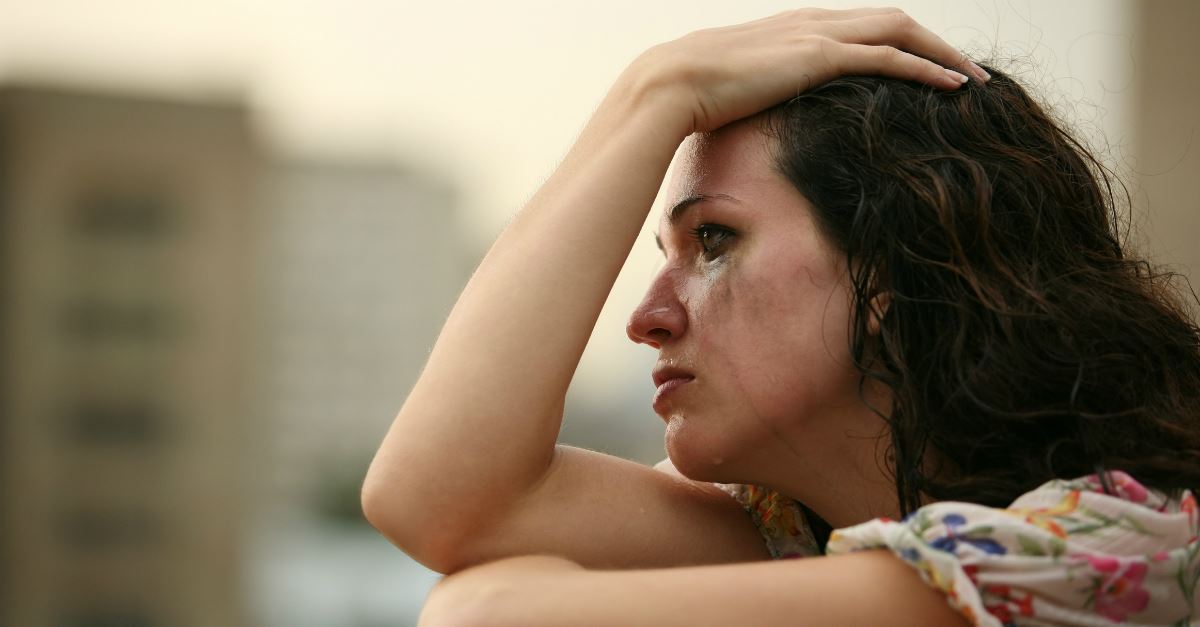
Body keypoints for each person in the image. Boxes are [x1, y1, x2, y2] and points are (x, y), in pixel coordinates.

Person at [361, 8, 1200, 626]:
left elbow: (487, 614)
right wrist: (650, 89)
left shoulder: (1121, 546)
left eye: (713, 240)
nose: (646, 317)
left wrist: (659, 86)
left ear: (886, 270)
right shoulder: (793, 527)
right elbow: (440, 502)